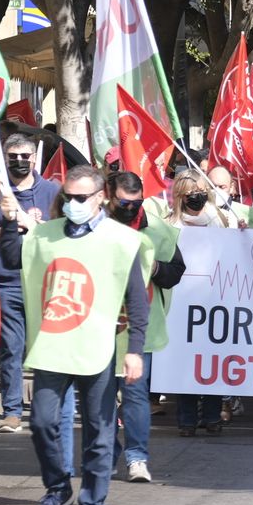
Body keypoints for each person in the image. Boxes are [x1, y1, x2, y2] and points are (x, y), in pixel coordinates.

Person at [17, 165, 147, 505]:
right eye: (67, 197)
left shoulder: (120, 240)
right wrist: (12, 225)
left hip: (96, 347)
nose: (72, 203)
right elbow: (18, 269)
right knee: (42, 421)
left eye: (80, 197)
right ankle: (58, 489)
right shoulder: (44, 235)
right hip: (53, 345)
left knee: (99, 433)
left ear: (100, 197)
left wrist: (134, 349)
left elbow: (136, 299)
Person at [105, 171, 184, 482]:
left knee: (135, 395)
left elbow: (176, 271)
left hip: (141, 328)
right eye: (122, 203)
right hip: (99, 327)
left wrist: (156, 268)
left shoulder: (158, 230)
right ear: (108, 196)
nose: (129, 209)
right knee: (101, 398)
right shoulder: (93, 227)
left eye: (135, 203)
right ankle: (105, 454)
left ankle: (136, 458)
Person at [0, 131, 60, 431]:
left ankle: (50, 406)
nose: (19, 161)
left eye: (24, 156)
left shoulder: (53, 192)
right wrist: (7, 225)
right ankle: (12, 410)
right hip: (6, 282)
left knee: (47, 347)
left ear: (34, 159)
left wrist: (34, 225)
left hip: (45, 283)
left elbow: (64, 233)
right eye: (13, 157)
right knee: (12, 348)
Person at [165, 170, 233, 435]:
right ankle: (187, 420)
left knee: (212, 359)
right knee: (186, 361)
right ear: (181, 195)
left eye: (201, 191)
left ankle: (213, 416)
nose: (197, 197)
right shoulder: (169, 225)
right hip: (181, 304)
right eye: (191, 193)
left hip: (216, 301)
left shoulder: (221, 220)